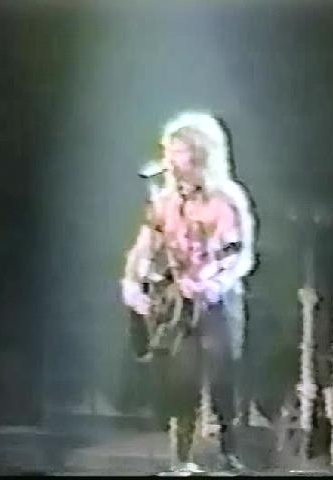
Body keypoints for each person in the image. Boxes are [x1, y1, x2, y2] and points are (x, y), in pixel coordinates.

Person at [121, 111, 256, 474]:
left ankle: (229, 453)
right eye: (167, 150)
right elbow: (145, 245)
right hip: (181, 302)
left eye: (177, 150)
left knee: (223, 377)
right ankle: (182, 459)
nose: (168, 158)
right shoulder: (165, 201)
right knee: (182, 379)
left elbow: (240, 254)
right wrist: (131, 281)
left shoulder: (226, 198)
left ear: (199, 155)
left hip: (219, 301)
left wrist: (214, 283)